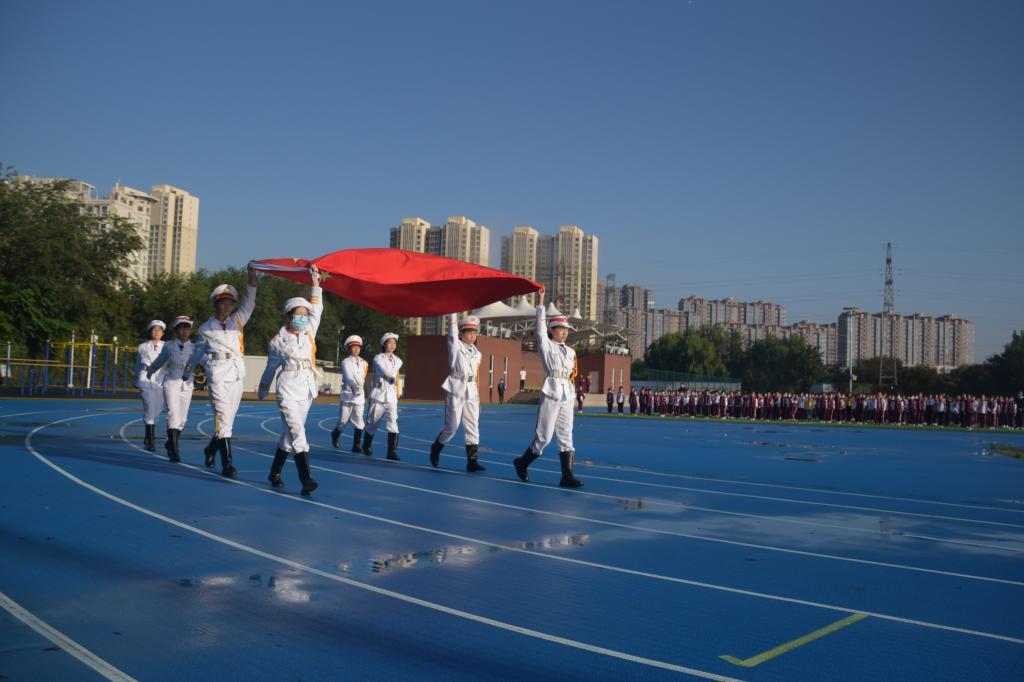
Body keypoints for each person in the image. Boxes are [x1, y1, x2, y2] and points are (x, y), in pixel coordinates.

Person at [184, 266, 259, 477]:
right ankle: (227, 464)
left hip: (236, 374)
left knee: (228, 421)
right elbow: (197, 354)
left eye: (230, 303)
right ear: (215, 304)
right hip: (217, 376)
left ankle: (210, 449)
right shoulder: (205, 329)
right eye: (222, 302)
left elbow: (250, 302)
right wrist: (189, 373)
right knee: (223, 419)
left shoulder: (237, 321)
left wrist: (252, 277)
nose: (226, 306)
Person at [257, 265, 323, 495]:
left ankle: (274, 473)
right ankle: (306, 478)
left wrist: (315, 284)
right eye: (298, 314)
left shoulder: (309, 333)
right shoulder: (277, 341)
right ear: (288, 316)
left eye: (305, 315)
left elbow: (318, 308)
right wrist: (264, 388)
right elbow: (271, 367)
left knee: (288, 435)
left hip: (306, 388)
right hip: (287, 388)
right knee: (297, 432)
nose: (303, 318)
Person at [512, 288, 582, 488]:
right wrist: (541, 302)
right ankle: (522, 463)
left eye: (566, 329)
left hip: (567, 392)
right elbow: (539, 329)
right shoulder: (546, 344)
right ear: (552, 330)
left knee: (566, 434)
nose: (564, 332)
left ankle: (567, 476)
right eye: (560, 329)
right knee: (544, 437)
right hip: (552, 390)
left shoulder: (571, 351)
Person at [428, 314, 486, 472]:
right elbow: (452, 332)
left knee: (473, 426)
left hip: (471, 391)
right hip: (457, 389)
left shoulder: (477, 353)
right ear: (461, 333)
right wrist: (453, 313)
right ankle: (436, 447)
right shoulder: (455, 346)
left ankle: (472, 461)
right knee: (452, 426)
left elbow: (476, 376)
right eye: (468, 332)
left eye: (474, 332)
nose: (472, 335)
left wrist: (479, 398)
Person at [146, 316, 196, 462]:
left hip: (187, 384)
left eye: (187, 327)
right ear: (176, 330)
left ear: (190, 330)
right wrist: (150, 370)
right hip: (171, 382)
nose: (184, 330)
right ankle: (174, 449)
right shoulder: (169, 345)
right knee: (173, 413)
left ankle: (169, 442)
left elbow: (206, 361)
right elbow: (160, 360)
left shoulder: (195, 347)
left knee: (183, 419)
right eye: (181, 327)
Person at [363, 332, 403, 460]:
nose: (392, 345)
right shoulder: (378, 358)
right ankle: (366, 445)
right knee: (372, 423)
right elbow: (384, 370)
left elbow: (394, 372)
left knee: (393, 422)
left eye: (394, 343)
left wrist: (396, 385)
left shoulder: (398, 360)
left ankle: (391, 452)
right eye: (389, 342)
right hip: (379, 394)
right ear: (384, 344)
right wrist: (390, 376)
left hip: (391, 395)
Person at [331, 334, 369, 453]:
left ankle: (356, 446)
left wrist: (359, 389)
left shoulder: (364, 363)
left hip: (359, 395)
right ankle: (335, 433)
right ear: (349, 348)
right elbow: (348, 377)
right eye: (353, 347)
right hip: (348, 394)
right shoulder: (345, 362)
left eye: (358, 347)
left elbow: (363, 379)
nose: (356, 349)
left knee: (359, 419)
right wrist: (354, 386)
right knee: (343, 421)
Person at [137, 320, 167, 452]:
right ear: (150, 332)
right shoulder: (143, 346)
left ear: (163, 333)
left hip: (160, 379)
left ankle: (147, 435)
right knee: (149, 407)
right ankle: (151, 440)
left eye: (159, 330)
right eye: (154, 329)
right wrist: (136, 379)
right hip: (145, 378)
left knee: (157, 410)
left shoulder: (167, 346)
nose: (156, 332)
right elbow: (138, 363)